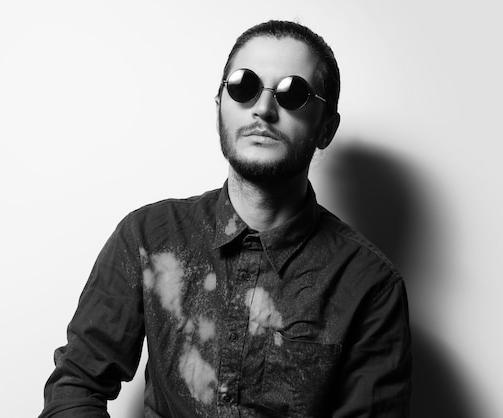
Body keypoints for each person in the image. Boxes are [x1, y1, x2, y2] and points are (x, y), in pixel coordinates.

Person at [39, 20, 411, 417]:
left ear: (326, 129)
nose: (263, 109)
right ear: (220, 105)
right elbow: (76, 386)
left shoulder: (370, 285)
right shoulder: (147, 237)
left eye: (293, 93)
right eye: (243, 86)